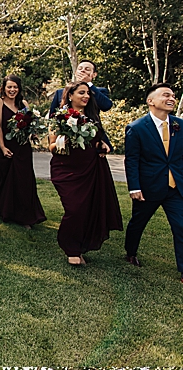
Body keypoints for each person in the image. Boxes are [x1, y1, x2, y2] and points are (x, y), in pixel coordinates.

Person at [49, 82, 123, 265]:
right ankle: (70, 246)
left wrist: (102, 145)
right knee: (74, 209)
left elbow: (97, 140)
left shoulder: (93, 117)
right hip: (66, 169)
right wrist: (61, 143)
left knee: (89, 209)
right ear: (70, 95)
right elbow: (51, 146)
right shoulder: (58, 117)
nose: (86, 96)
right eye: (81, 92)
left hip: (92, 168)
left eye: (88, 93)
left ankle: (79, 248)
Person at [121, 82, 183, 279]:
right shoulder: (137, 128)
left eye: (173, 95)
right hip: (148, 188)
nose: (171, 98)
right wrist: (134, 187)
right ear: (150, 101)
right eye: (166, 94)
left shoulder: (180, 125)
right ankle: (130, 253)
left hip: (175, 188)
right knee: (138, 223)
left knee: (181, 226)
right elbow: (132, 160)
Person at [0, 75, 47, 228]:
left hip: (22, 147)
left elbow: (29, 123)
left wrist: (34, 132)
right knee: (4, 180)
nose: (12, 90)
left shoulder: (23, 104)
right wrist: (2, 147)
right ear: (3, 88)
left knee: (24, 181)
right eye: (9, 87)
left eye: (15, 87)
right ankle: (3, 210)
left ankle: (24, 215)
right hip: (6, 146)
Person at [48, 60, 113, 115]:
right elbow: (52, 115)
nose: (83, 71)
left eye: (87, 69)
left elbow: (106, 106)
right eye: (80, 69)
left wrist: (88, 83)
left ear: (94, 74)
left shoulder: (100, 91)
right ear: (76, 73)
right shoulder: (60, 92)